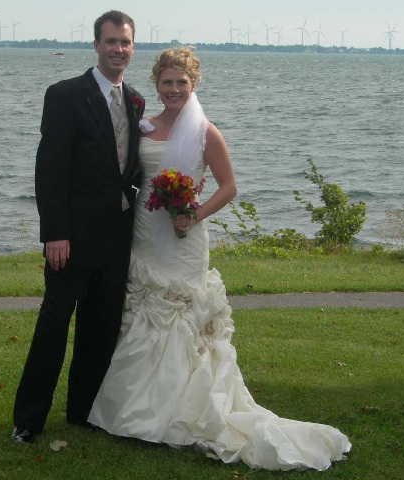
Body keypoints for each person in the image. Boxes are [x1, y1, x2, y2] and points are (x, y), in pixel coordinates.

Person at [88, 48, 351, 471]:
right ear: (156, 85)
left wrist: (194, 214)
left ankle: (181, 409)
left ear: (193, 85)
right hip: (145, 231)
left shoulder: (206, 132)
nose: (173, 89)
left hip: (185, 237)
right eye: (167, 82)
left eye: (181, 82)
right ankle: (134, 407)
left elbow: (228, 187)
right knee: (144, 311)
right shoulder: (142, 126)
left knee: (180, 315)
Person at [11, 10, 145, 444]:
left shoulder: (137, 101)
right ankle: (28, 420)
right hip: (70, 240)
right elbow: (50, 169)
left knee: (100, 328)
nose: (118, 50)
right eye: (110, 42)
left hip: (117, 238)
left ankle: (82, 411)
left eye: (125, 42)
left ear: (132, 46)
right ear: (96, 45)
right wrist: (54, 232)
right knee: (53, 326)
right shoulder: (66, 94)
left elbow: (130, 170)